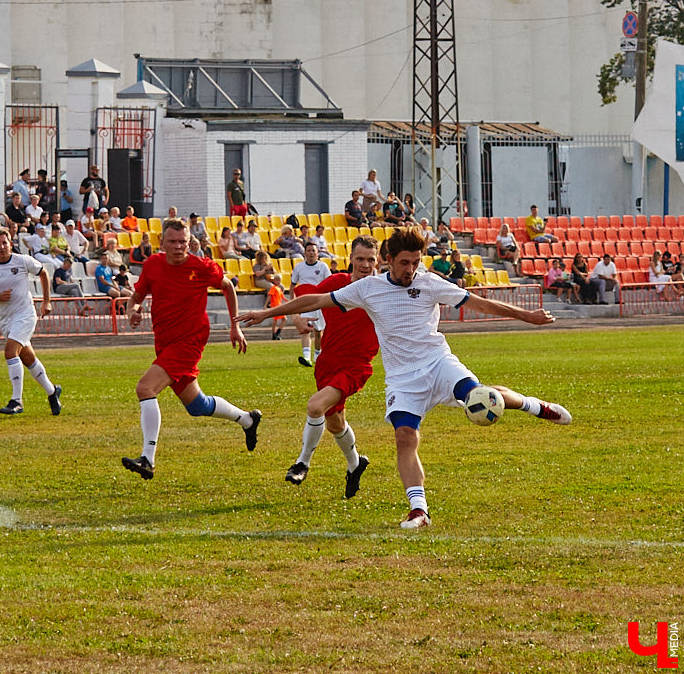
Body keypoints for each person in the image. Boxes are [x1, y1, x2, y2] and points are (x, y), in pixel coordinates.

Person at [245, 226, 570, 529]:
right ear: (389, 260)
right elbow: (315, 300)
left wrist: (526, 315)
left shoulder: (429, 283)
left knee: (480, 397)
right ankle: (419, 510)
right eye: (404, 263)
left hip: (439, 364)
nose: (410, 269)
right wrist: (266, 313)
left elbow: (480, 304)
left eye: (415, 262)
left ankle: (534, 406)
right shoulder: (368, 288)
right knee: (404, 438)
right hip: (402, 379)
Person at [237, 235, 381, 498]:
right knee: (335, 423)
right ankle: (355, 464)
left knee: (315, 406)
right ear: (350, 258)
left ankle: (302, 462)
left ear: (378, 261)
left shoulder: (383, 290)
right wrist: (292, 317)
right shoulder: (336, 283)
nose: (365, 264)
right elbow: (307, 300)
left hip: (356, 366)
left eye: (371, 259)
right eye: (360, 258)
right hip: (327, 362)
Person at [120, 219, 260, 480]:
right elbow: (136, 298)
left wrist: (235, 326)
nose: (178, 247)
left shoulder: (201, 267)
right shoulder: (152, 265)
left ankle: (147, 458)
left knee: (145, 388)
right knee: (196, 405)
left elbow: (228, 286)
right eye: (172, 242)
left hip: (189, 341)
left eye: (182, 242)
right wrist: (133, 312)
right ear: (162, 242)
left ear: (189, 242)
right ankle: (247, 419)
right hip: (165, 341)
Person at [0, 227, 63, 416]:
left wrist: (46, 301)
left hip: (25, 314)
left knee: (10, 352)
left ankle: (17, 401)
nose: (1, 247)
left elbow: (43, 273)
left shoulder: (22, 260)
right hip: (5, 318)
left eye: (4, 243)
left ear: (10, 243)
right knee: (28, 358)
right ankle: (52, 391)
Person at [291, 242, 332, 367]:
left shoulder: (323, 266)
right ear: (305, 253)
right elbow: (293, 285)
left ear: (317, 253)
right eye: (309, 250)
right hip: (305, 302)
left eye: (313, 250)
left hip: (320, 301)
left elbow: (330, 283)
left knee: (318, 332)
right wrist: (293, 302)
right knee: (305, 330)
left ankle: (317, 356)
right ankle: (306, 357)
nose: (311, 253)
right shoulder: (299, 267)